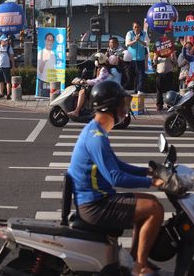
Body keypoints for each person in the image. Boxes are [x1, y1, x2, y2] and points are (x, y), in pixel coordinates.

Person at [68, 81, 164, 276]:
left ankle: (136, 258)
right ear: (111, 107)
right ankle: (140, 265)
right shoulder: (96, 137)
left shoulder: (95, 130)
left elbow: (116, 164)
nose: (124, 109)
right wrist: (152, 182)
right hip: (94, 206)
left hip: (96, 199)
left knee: (149, 202)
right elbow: (115, 177)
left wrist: (146, 172)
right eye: (121, 104)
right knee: (154, 209)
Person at [68, 52, 111, 118]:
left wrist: (86, 81)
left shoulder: (104, 69)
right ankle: (85, 109)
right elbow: (95, 79)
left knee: (82, 92)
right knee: (79, 91)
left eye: (96, 59)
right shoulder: (99, 68)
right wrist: (86, 81)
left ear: (100, 60)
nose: (95, 61)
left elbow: (98, 80)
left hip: (101, 89)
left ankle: (76, 111)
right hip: (99, 87)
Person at [125, 21, 147, 94]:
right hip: (131, 59)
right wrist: (135, 40)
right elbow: (127, 44)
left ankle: (140, 90)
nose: (136, 29)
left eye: (138, 27)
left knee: (141, 75)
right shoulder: (129, 33)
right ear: (133, 27)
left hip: (141, 58)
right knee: (131, 75)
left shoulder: (144, 34)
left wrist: (139, 40)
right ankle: (133, 90)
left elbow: (146, 44)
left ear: (140, 27)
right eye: (135, 27)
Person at [0, 34, 15, 100]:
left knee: (8, 81)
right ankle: (1, 94)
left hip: (7, 67)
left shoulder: (9, 47)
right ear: (1, 41)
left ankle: (8, 94)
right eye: (4, 41)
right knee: (0, 81)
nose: (6, 42)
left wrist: (13, 67)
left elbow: (12, 58)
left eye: (7, 41)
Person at [37, 32, 56, 97]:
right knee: (43, 98)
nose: (50, 42)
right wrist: (44, 61)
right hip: (43, 81)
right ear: (45, 41)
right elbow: (39, 70)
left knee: (52, 98)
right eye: (48, 40)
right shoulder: (41, 53)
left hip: (52, 81)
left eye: (51, 40)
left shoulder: (53, 53)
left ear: (53, 42)